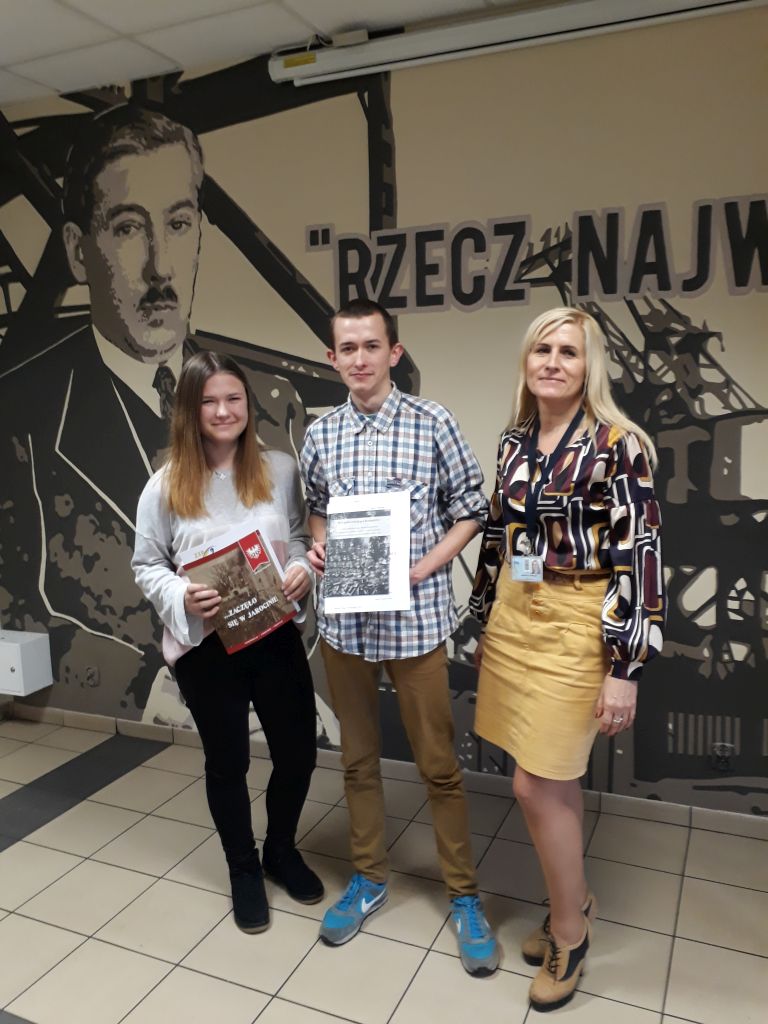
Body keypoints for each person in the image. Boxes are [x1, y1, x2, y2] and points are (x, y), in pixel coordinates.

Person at [0, 104, 327, 726]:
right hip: (125, 727)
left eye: (177, 224)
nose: (160, 266)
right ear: (77, 251)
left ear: (199, 232)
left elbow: (300, 556)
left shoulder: (272, 402)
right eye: (128, 228)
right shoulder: (18, 414)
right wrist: (143, 692)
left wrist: (299, 667)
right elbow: (10, 600)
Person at [470, 307, 665, 1011]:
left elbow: (640, 554)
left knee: (535, 784)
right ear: (527, 361)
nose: (553, 362)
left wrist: (624, 667)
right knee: (549, 782)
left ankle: (571, 933)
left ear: (590, 368)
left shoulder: (620, 444)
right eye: (542, 349)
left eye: (569, 352)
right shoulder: (516, 439)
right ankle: (570, 902)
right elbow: (504, 533)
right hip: (518, 612)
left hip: (582, 621)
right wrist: (487, 615)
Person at [300, 298, 499, 976]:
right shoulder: (321, 433)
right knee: (357, 761)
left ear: (393, 352)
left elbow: (472, 509)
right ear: (332, 358)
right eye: (347, 348)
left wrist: (423, 567)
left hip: (415, 622)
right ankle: (369, 877)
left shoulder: (432, 421)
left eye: (371, 346)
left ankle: (463, 895)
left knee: (438, 765)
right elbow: (318, 509)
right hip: (345, 626)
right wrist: (320, 545)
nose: (359, 359)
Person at [132, 350, 323, 932]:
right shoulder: (166, 484)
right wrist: (181, 596)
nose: (222, 411)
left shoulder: (280, 470)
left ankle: (280, 851)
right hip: (207, 647)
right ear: (189, 410)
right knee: (228, 761)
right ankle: (243, 867)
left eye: (232, 398)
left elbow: (298, 538)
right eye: (208, 401)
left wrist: (302, 570)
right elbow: (147, 565)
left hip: (273, 631)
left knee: (298, 751)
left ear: (248, 403)